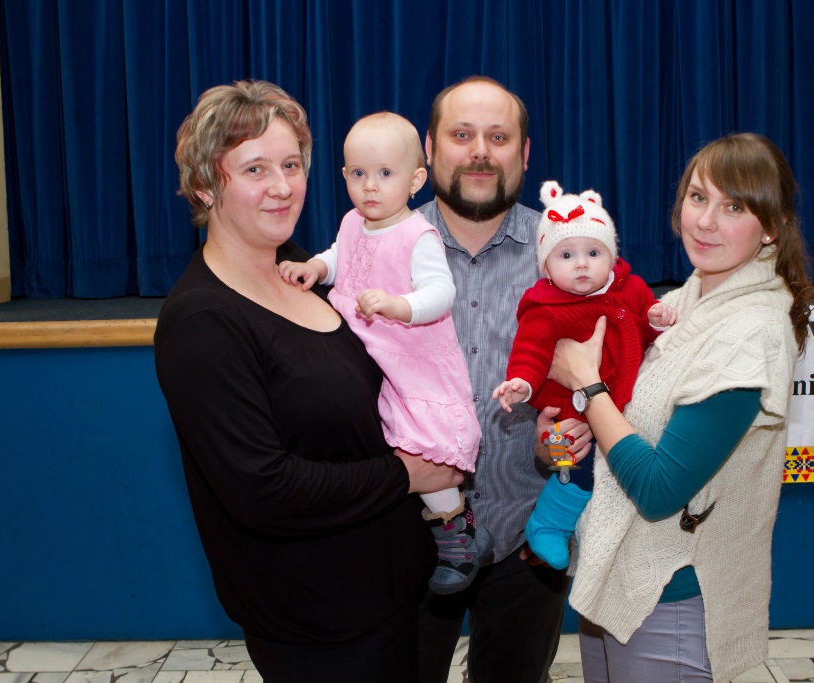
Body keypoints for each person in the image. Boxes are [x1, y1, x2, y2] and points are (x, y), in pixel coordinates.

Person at [154, 80, 460, 683]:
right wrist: (409, 474)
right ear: (205, 186)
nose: (282, 186)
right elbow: (263, 490)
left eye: (291, 164)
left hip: (400, 590)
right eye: (255, 169)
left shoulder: (300, 267)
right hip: (320, 622)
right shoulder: (201, 322)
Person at [545, 132, 814, 683]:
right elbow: (634, 426)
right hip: (617, 574)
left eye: (734, 207)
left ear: (771, 226)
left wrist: (589, 387)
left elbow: (659, 491)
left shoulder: (748, 334)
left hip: (670, 595)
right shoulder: (686, 300)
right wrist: (571, 429)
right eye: (698, 198)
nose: (705, 222)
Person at [414, 75, 592, 683]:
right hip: (411, 539)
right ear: (430, 149)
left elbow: (606, 372)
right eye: (461, 135)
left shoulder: (570, 254)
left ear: (525, 152)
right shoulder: (380, 251)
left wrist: (575, 427)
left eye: (498, 136)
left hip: (529, 537)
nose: (480, 152)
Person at [277, 112, 490, 595]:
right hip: (368, 351)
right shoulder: (354, 221)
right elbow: (342, 255)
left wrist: (400, 306)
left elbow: (442, 292)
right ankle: (455, 528)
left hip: (412, 358)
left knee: (423, 443)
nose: (370, 186)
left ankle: (456, 532)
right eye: (358, 173)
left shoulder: (418, 235)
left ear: (415, 180)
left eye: (385, 173)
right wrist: (317, 268)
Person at [491, 180, 675, 571]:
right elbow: (530, 352)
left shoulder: (630, 288)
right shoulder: (545, 308)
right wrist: (522, 382)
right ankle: (549, 523)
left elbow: (649, 331)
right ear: (545, 266)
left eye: (593, 252)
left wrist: (657, 320)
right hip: (571, 409)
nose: (581, 264)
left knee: (629, 468)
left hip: (625, 405)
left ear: (611, 255)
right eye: (566, 255)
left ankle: (586, 531)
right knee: (577, 463)